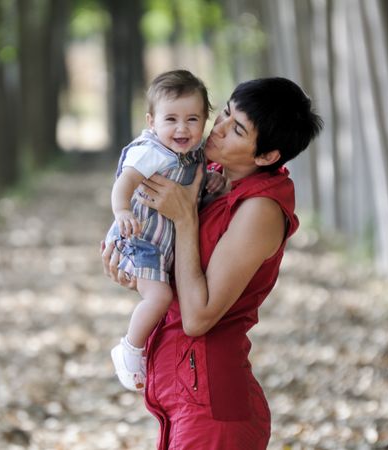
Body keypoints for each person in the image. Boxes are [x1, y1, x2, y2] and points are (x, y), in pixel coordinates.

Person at [102, 77, 322, 449]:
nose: (216, 130)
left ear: (267, 156)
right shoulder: (209, 177)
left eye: (236, 129)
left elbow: (199, 317)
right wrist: (139, 271)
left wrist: (185, 217)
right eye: (224, 114)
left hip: (211, 406)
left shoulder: (261, 210)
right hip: (182, 392)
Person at [105, 69, 225, 392]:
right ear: (151, 121)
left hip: (162, 243)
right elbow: (122, 185)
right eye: (170, 119)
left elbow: (191, 189)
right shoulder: (151, 152)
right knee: (160, 296)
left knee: (162, 293)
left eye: (192, 119)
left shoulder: (194, 155)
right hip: (140, 237)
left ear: (204, 121)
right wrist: (122, 212)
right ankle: (130, 348)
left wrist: (210, 183)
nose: (182, 128)